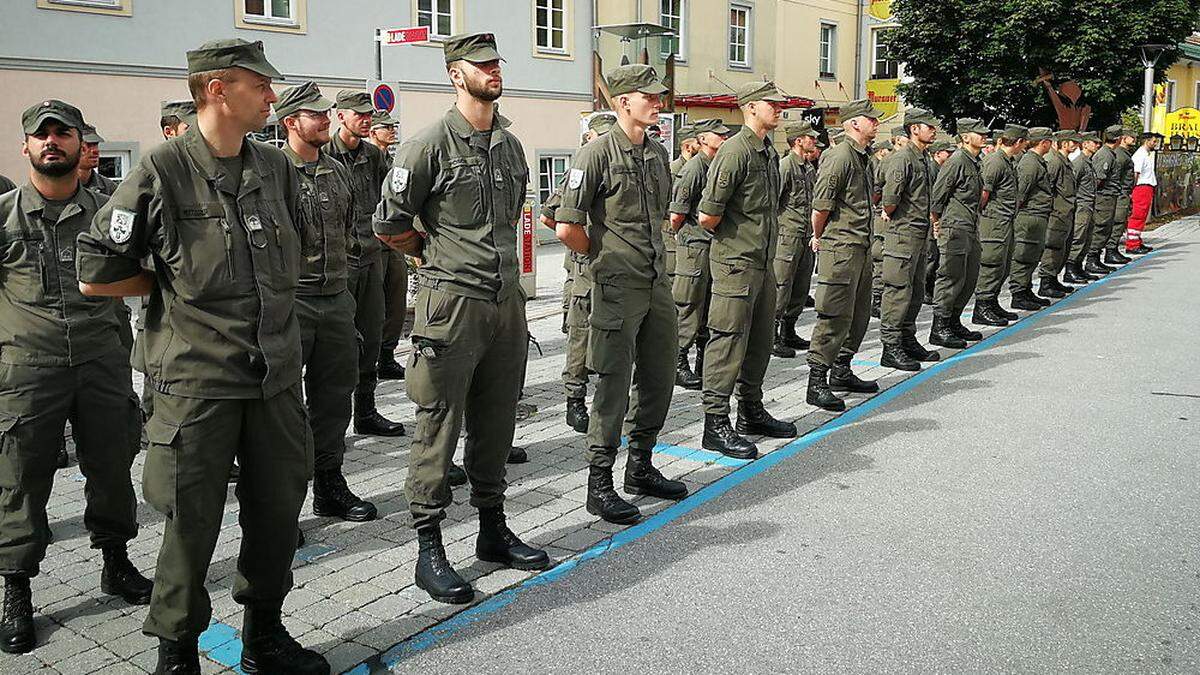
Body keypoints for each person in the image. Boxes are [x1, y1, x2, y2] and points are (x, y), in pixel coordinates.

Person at [77, 39, 329, 674]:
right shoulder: (160, 171)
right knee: (191, 524)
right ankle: (177, 649)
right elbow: (94, 272)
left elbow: (292, 251)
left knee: (277, 513)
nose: (273, 95)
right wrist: (164, 284)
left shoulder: (274, 169)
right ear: (218, 90)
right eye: (260, 85)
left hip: (273, 378)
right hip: (196, 384)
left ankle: (264, 636)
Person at [374, 32, 550, 604]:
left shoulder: (510, 146)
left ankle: (492, 532)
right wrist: (431, 258)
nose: (494, 71)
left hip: (505, 305)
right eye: (483, 65)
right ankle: (429, 549)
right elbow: (391, 223)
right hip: (451, 307)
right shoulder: (427, 145)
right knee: (437, 425)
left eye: (497, 62)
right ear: (456, 74)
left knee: (497, 422)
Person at [0, 99, 152, 655]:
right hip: (26, 372)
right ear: (26, 147)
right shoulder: (4, 217)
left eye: (64, 134)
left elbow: (147, 275)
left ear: (79, 142)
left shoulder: (111, 214)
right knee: (19, 477)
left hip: (102, 363)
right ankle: (17, 589)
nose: (53, 142)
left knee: (112, 465)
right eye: (42, 135)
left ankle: (116, 561)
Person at [554, 64, 688, 522]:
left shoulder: (656, 155)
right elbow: (565, 224)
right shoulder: (594, 154)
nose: (657, 102)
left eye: (658, 96)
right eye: (647, 96)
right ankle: (599, 482)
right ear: (622, 101)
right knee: (612, 383)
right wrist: (600, 258)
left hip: (655, 283)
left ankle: (641, 466)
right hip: (614, 286)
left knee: (658, 376)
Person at [275, 82, 378, 525]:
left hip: (335, 298)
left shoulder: (337, 171)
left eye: (324, 113)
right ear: (289, 122)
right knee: (282, 409)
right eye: (313, 114)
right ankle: (282, 507)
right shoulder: (271, 171)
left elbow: (351, 231)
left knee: (334, 397)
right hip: (290, 301)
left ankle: (329, 484)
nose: (323, 119)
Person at [697, 80, 798, 458]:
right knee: (727, 341)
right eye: (773, 103)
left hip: (762, 262)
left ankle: (750, 411)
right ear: (751, 107)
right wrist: (737, 240)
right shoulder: (735, 151)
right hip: (736, 264)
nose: (779, 108)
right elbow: (708, 215)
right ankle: (715, 422)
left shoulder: (768, 152)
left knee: (758, 342)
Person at [326, 89, 405, 437]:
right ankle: (330, 426)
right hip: (337, 266)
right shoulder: (323, 155)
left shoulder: (374, 156)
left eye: (368, 114)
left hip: (371, 258)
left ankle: (366, 411)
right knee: (338, 347)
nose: (366, 119)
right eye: (358, 114)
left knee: (372, 338)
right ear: (339, 115)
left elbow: (387, 201)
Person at [807, 98, 883, 411]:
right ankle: (816, 381)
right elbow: (821, 206)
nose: (876, 124)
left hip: (861, 246)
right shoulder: (839, 157)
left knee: (859, 313)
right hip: (841, 248)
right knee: (834, 315)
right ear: (854, 123)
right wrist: (819, 236)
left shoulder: (864, 157)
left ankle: (841, 368)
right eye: (872, 119)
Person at [544, 112, 617, 434]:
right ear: (591, 138)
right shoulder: (579, 171)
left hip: (616, 270)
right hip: (586, 270)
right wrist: (583, 247)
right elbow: (550, 217)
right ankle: (575, 400)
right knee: (580, 338)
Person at [878, 108, 941, 371]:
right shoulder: (902, 158)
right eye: (929, 126)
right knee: (897, 292)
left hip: (919, 234)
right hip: (902, 234)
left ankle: (907, 337)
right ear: (914, 129)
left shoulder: (924, 158)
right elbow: (890, 199)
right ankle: (890, 346)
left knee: (915, 291)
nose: (934, 130)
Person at [670, 118, 730, 389]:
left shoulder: (716, 164)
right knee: (689, 305)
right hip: (694, 246)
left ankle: (703, 362)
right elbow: (677, 214)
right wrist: (685, 236)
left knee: (707, 307)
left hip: (712, 245)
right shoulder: (694, 168)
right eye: (718, 134)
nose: (724, 137)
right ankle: (678, 362)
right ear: (703, 139)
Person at [928, 118, 989, 348]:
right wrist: (937, 223)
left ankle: (954, 320)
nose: (984, 136)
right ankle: (940, 326)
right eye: (978, 133)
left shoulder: (975, 161)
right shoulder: (956, 162)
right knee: (950, 277)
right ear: (965, 137)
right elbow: (938, 196)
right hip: (954, 227)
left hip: (970, 226)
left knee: (969, 276)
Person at [771, 121, 818, 359]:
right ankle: (773, 335)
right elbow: (773, 204)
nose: (815, 140)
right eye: (810, 137)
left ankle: (789, 330)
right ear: (798, 140)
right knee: (782, 285)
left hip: (805, 236)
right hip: (787, 236)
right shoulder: (786, 166)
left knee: (800, 287)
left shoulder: (808, 167)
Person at [972, 124, 1027, 327]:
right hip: (993, 222)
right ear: (1018, 142)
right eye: (1023, 143)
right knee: (991, 264)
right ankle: (982, 306)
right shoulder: (995, 161)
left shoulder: (1007, 161)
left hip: (1005, 221)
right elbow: (983, 194)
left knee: (1001, 265)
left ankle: (992, 301)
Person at [1008, 127, 1056, 309]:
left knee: (1032, 255)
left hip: (1038, 215)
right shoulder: (1030, 163)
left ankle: (1026, 289)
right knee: (1024, 254)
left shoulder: (1037, 161)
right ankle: (1018, 293)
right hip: (1029, 216)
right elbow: (1021, 192)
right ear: (1044, 143)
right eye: (1049, 141)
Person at [1036, 130, 1079, 296]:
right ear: (1064, 143)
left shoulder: (1065, 161)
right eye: (1073, 142)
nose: (1075, 145)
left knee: (1061, 247)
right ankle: (1045, 283)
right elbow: (1049, 188)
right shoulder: (1054, 161)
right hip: (1056, 213)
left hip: (1065, 212)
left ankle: (1053, 279)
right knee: (1052, 248)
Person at [1065, 132, 1105, 282]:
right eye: (1094, 143)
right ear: (1085, 144)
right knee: (1078, 237)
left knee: (1087, 238)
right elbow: (1072, 184)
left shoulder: (1089, 162)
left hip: (1090, 204)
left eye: (1098, 143)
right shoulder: (1080, 162)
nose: (1097, 145)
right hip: (1082, 205)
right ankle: (1070, 269)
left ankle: (1079, 266)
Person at [922, 139, 956, 303]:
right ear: (937, 154)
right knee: (931, 256)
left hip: (939, 216)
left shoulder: (941, 168)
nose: (950, 155)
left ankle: (930, 288)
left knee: (936, 255)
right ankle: (925, 289)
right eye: (947, 153)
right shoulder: (932, 169)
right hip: (931, 217)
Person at [1088, 125, 1126, 270]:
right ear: (1118, 139)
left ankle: (1096, 257)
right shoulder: (1105, 155)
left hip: (1109, 196)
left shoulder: (1110, 153)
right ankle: (1092, 259)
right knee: (1100, 227)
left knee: (1105, 228)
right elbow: (1098, 179)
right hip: (1104, 197)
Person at [1104, 129, 1137, 263]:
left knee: (1121, 221)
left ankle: (1114, 248)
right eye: (1131, 137)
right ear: (1123, 138)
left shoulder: (1124, 154)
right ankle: (1111, 250)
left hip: (1124, 192)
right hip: (1120, 193)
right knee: (1117, 221)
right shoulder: (1120, 155)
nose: (1134, 139)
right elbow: (1116, 176)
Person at [1125, 131, 1161, 254]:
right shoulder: (1140, 155)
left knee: (1142, 215)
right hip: (1141, 188)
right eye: (1154, 141)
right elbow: (1136, 173)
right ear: (1147, 141)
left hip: (1146, 188)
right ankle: (1132, 244)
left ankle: (1137, 240)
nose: (1155, 144)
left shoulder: (1145, 154)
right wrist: (1132, 189)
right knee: (1138, 215)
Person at [77, 124, 117, 196]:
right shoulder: (58, 185)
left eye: (96, 145)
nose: (95, 151)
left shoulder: (109, 188)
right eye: (88, 145)